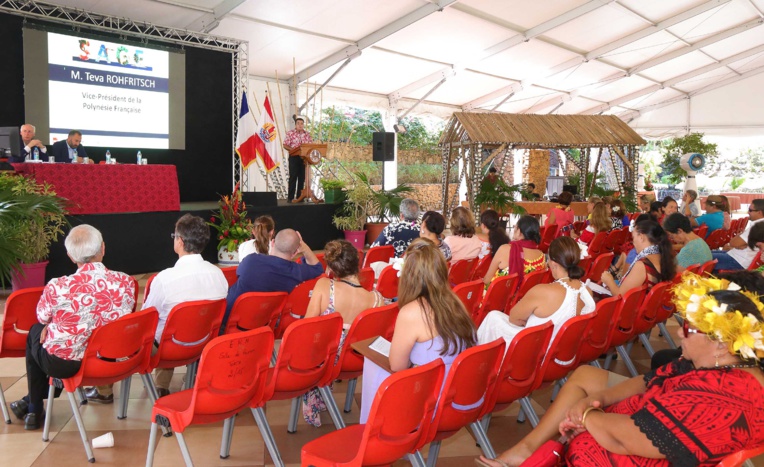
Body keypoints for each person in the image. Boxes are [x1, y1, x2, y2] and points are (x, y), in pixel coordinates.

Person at [478, 273, 764, 467]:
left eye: (689, 328)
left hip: (618, 449)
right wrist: (593, 402)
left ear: (722, 344)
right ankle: (526, 449)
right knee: (587, 377)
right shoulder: (709, 365)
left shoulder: (726, 394)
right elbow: (647, 380)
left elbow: (625, 439)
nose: (680, 334)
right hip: (619, 433)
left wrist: (587, 416)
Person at [88, 214, 229, 401]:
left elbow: (147, 318)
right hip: (203, 343)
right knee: (174, 324)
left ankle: (104, 391)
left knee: (120, 330)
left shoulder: (164, 279)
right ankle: (161, 385)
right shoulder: (218, 275)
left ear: (179, 241)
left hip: (166, 349)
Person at [10, 225, 136, 429]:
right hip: (111, 360)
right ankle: (31, 402)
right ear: (103, 248)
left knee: (35, 332)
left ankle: (34, 407)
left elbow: (42, 316)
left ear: (70, 255)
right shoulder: (126, 282)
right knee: (41, 332)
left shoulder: (57, 286)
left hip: (66, 364)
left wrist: (48, 325)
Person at [359, 238, 475, 423]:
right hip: (460, 392)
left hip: (431, 401)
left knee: (374, 364)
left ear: (409, 276)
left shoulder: (412, 311)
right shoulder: (456, 302)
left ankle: (374, 431)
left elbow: (397, 366)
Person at [303, 240, 385, 426]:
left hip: (325, 358)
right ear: (358, 263)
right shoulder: (377, 299)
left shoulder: (325, 286)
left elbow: (307, 327)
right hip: (355, 359)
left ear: (332, 268)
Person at [478, 237, 594, 347]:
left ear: (554, 264)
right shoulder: (588, 291)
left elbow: (513, 318)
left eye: (548, 259)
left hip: (535, 350)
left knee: (493, 316)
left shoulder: (543, 291)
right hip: (565, 352)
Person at [223, 228, 323, 329]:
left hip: (227, 322)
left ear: (273, 242)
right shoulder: (295, 272)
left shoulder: (251, 260)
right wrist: (304, 248)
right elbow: (318, 268)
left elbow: (238, 273)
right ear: (295, 253)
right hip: (261, 325)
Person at [600, 219, 675, 296]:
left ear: (641, 237)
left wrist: (609, 281)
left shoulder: (642, 266)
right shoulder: (662, 256)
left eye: (633, 237)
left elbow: (619, 296)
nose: (633, 242)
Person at [483, 215, 544, 287]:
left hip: (500, 296)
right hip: (527, 296)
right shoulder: (541, 255)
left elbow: (487, 280)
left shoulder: (505, 249)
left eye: (515, 226)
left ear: (519, 231)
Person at [710, 199, 764, 271]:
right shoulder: (759, 225)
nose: (748, 212)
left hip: (738, 261)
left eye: (750, 210)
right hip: (737, 256)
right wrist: (741, 242)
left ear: (759, 212)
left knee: (700, 257)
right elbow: (737, 243)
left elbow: (733, 243)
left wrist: (740, 236)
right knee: (706, 253)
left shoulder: (757, 227)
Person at [283, 116, 312, 202]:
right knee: (293, 177)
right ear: (295, 125)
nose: (300, 125)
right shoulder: (290, 133)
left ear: (303, 125)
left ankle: (300, 197)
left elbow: (310, 146)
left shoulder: (307, 134)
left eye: (302, 124)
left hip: (304, 158)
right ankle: (291, 198)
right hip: (294, 157)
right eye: (298, 123)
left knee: (302, 178)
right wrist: (293, 150)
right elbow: (285, 145)